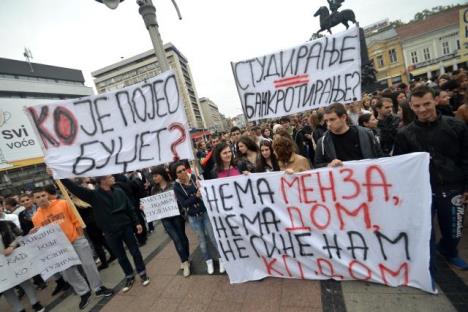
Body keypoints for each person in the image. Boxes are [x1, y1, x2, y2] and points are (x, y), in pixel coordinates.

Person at [393, 85, 468, 271]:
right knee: (424, 229)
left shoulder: (456, 126)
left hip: (453, 187)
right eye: (417, 106)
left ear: (435, 100)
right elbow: (400, 165)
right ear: (410, 106)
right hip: (423, 190)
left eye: (426, 104)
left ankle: (450, 251)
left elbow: (467, 158)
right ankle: (427, 259)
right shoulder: (404, 133)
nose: (422, 109)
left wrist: (466, 186)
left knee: (454, 229)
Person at [60, 176, 150, 293]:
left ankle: (142, 273)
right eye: (109, 177)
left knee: (135, 251)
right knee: (121, 256)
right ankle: (129, 276)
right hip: (110, 231)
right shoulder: (93, 195)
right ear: (102, 180)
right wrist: (60, 176)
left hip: (126, 226)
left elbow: (129, 207)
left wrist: (137, 222)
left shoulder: (119, 191)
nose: (113, 177)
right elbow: (75, 188)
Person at [31, 187, 113, 310]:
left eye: (43, 195)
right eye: (38, 197)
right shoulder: (36, 217)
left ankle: (98, 288)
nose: (41, 199)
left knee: (89, 264)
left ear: (47, 195)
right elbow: (43, 235)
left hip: (76, 240)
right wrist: (34, 233)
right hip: (59, 248)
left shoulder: (63, 203)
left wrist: (80, 237)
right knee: (68, 272)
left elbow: (76, 220)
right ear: (34, 200)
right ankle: (84, 292)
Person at [172, 161, 224, 274]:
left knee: (213, 237)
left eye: (183, 169)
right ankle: (208, 261)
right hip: (193, 218)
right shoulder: (176, 186)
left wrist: (201, 188)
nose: (183, 172)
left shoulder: (194, 177)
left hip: (205, 213)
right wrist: (195, 196)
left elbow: (204, 192)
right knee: (202, 241)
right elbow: (184, 203)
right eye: (179, 172)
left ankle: (221, 259)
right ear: (175, 174)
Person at [150, 165, 191, 277]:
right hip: (165, 219)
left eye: (156, 175)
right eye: (153, 177)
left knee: (182, 237)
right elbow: (153, 204)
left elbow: (181, 198)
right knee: (176, 239)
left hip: (177, 215)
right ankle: (184, 261)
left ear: (162, 174)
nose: (154, 178)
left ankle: (186, 257)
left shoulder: (173, 185)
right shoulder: (154, 189)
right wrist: (147, 207)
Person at [315, 103, 383, 168]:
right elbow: (317, 165)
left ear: (344, 117)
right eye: (326, 121)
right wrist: (328, 165)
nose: (329, 124)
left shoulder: (366, 134)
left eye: (332, 119)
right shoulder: (322, 142)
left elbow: (380, 157)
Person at [1, 220, 46, 312]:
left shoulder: (7, 223)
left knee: (25, 280)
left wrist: (12, 246)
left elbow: (20, 235)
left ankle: (35, 303)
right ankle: (19, 310)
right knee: (6, 289)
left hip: (14, 259)